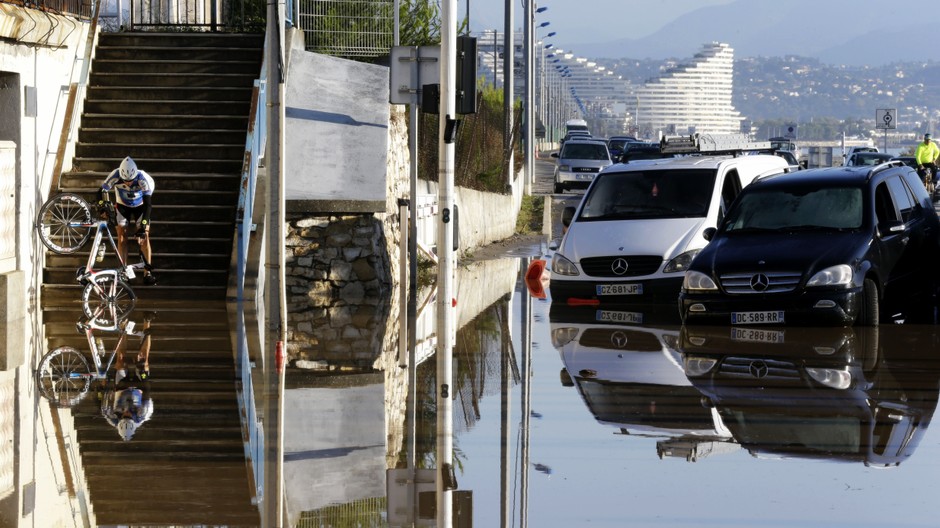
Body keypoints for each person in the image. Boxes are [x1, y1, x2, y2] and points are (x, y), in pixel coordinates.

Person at [98, 156, 157, 285]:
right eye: (125, 180)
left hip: (141, 206)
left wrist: (143, 226)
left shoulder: (143, 179)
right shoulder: (115, 174)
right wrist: (102, 206)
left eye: (131, 180)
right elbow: (100, 191)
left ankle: (148, 273)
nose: (128, 183)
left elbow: (148, 205)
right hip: (122, 206)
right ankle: (123, 272)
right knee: (121, 237)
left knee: (144, 236)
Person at [100, 311, 156, 441]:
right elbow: (147, 387)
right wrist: (142, 371)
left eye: (124, 415)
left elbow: (104, 398)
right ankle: (147, 320)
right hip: (139, 388)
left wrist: (104, 386)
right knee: (144, 360)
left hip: (121, 387)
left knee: (120, 360)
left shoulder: (111, 417)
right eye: (129, 415)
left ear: (119, 421)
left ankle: (123, 325)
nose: (126, 413)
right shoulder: (145, 413)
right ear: (133, 419)